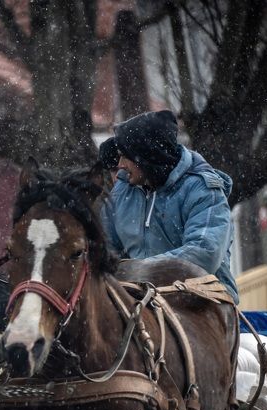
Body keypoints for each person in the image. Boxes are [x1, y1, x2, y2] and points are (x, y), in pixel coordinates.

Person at [101, 110, 238, 302]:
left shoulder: (203, 190)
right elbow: (105, 249)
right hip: (140, 300)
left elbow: (205, 253)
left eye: (126, 157)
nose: (120, 165)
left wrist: (140, 272)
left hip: (202, 302)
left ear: (147, 157)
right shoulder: (123, 190)